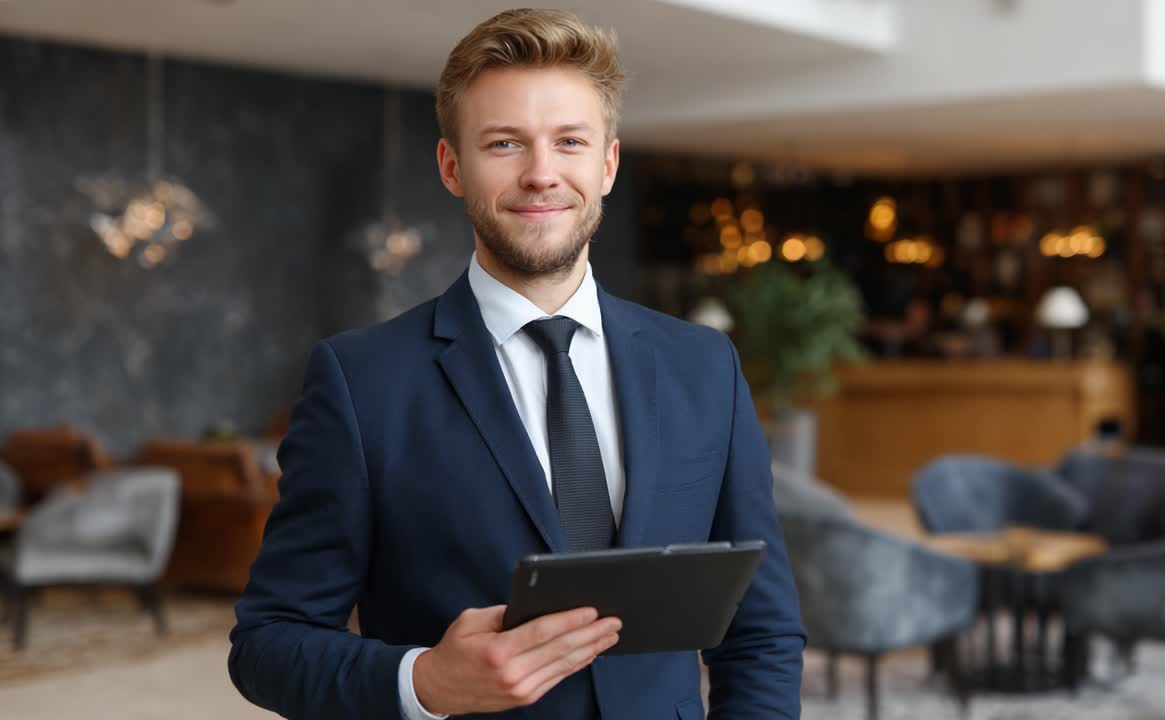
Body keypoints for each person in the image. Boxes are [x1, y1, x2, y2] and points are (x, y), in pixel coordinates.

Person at [228, 8, 805, 719]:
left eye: (569, 142)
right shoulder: (361, 383)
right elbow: (266, 642)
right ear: (451, 166)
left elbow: (761, 630)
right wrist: (424, 682)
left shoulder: (703, 366)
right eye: (504, 144)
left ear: (608, 163)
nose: (541, 174)